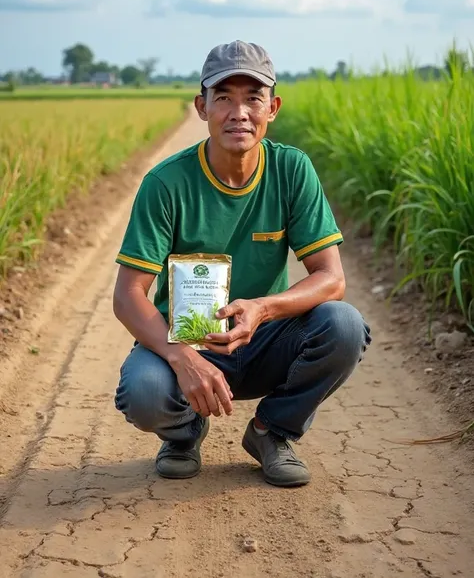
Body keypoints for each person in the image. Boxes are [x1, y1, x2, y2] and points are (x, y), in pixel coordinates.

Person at [113, 40, 371, 488]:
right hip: (190, 339)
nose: (239, 112)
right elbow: (128, 295)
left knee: (343, 325)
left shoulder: (292, 170)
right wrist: (180, 357)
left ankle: (272, 432)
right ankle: (182, 433)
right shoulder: (166, 184)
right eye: (224, 98)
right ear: (201, 107)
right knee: (145, 391)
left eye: (253, 98)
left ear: (272, 107)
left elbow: (331, 279)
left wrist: (263, 309)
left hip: (266, 337)